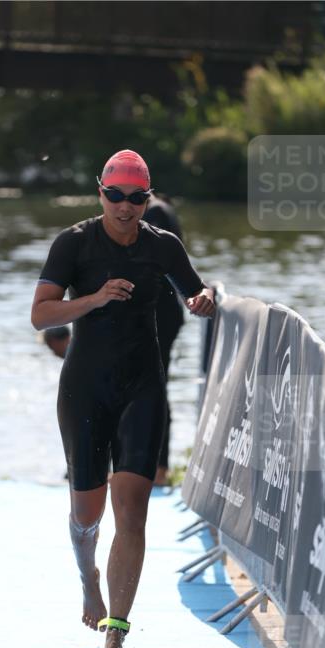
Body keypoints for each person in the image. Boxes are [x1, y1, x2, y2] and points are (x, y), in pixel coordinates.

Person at [31, 149, 215, 648]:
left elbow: (195, 295)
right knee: (86, 512)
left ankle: (116, 633)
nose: (126, 206)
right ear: (101, 194)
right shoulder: (74, 243)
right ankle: (89, 577)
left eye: (136, 197)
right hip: (85, 388)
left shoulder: (163, 246)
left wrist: (202, 302)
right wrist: (92, 299)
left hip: (142, 386)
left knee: (132, 510)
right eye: (116, 196)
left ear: (147, 198)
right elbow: (41, 315)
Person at [142, 193, 185, 486]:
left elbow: (158, 266)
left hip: (160, 316)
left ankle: (160, 468)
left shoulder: (158, 213)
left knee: (155, 389)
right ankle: (149, 466)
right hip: (151, 315)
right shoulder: (157, 210)